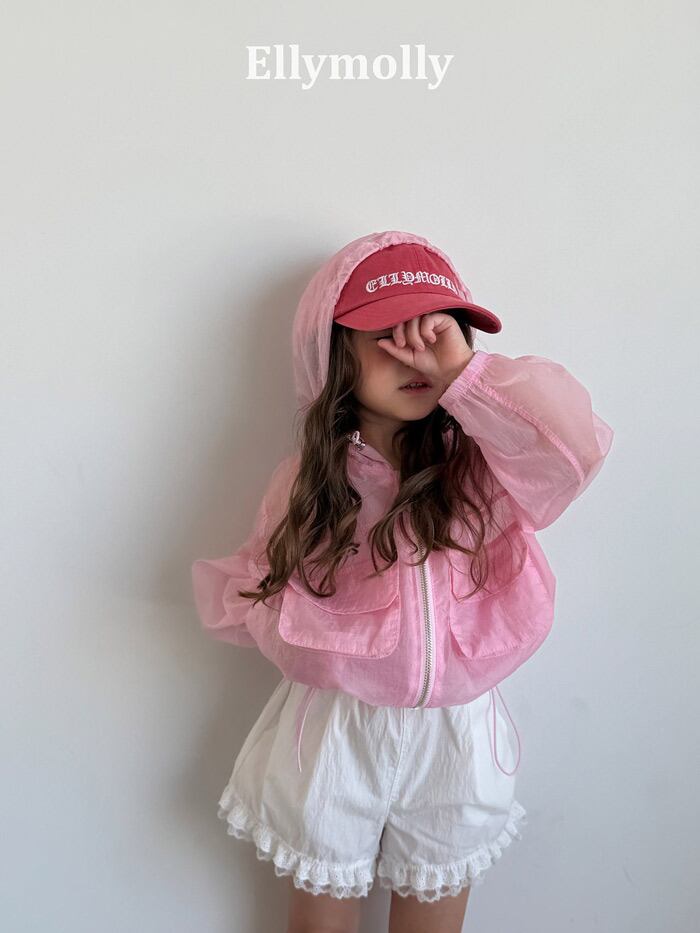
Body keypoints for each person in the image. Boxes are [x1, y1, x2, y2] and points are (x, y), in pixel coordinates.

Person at [191, 230, 614, 933]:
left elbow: (572, 451)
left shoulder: (485, 466)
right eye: (388, 335)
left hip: (458, 733)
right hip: (335, 729)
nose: (415, 353)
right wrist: (306, 643)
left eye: (436, 332)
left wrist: (467, 380)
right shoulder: (310, 480)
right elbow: (265, 580)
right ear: (335, 352)